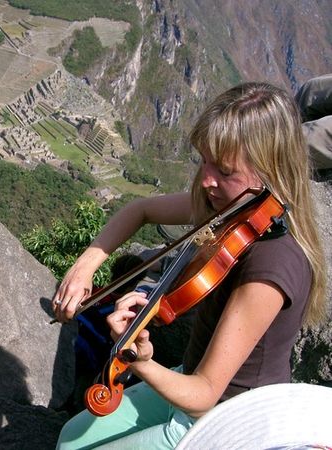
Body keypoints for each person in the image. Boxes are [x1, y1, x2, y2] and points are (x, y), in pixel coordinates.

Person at [53, 82, 327, 449]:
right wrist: (86, 265)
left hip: (226, 417)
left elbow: (206, 394)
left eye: (226, 171)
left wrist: (139, 360)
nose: (207, 180)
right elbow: (141, 209)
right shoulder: (235, 208)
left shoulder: (271, 266)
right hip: (189, 379)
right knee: (71, 439)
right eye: (204, 160)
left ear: (270, 170)